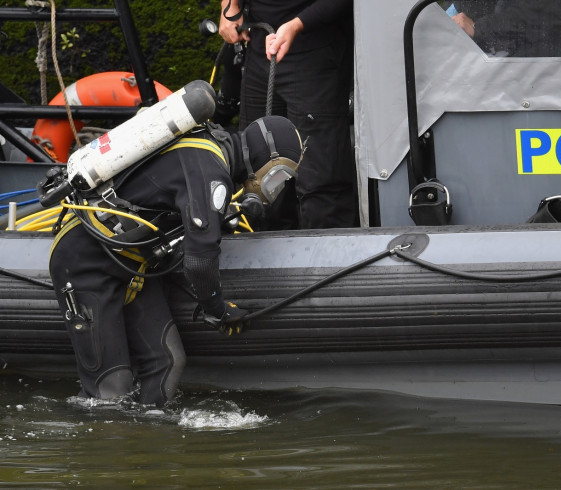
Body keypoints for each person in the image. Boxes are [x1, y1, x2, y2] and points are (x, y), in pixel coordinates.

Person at [47, 115, 303, 406]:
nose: (277, 188)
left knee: (168, 363)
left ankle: (151, 439)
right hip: (86, 263)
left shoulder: (209, 152)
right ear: (261, 157)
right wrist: (216, 311)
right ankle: (105, 441)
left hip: (132, 266)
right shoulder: (210, 173)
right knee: (111, 390)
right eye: (278, 176)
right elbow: (199, 261)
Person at [218, 0, 358, 229]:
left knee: (320, 181)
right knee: (255, 174)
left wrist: (296, 25)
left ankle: (329, 262)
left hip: (315, 51)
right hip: (259, 48)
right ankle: (263, 260)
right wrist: (229, 7)